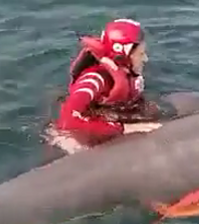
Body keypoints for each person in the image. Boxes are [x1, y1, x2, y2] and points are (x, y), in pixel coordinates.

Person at [49, 18, 162, 153]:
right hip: (77, 137)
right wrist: (126, 129)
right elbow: (68, 122)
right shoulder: (93, 80)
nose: (145, 59)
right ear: (123, 57)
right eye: (140, 54)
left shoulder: (126, 71)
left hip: (113, 113)